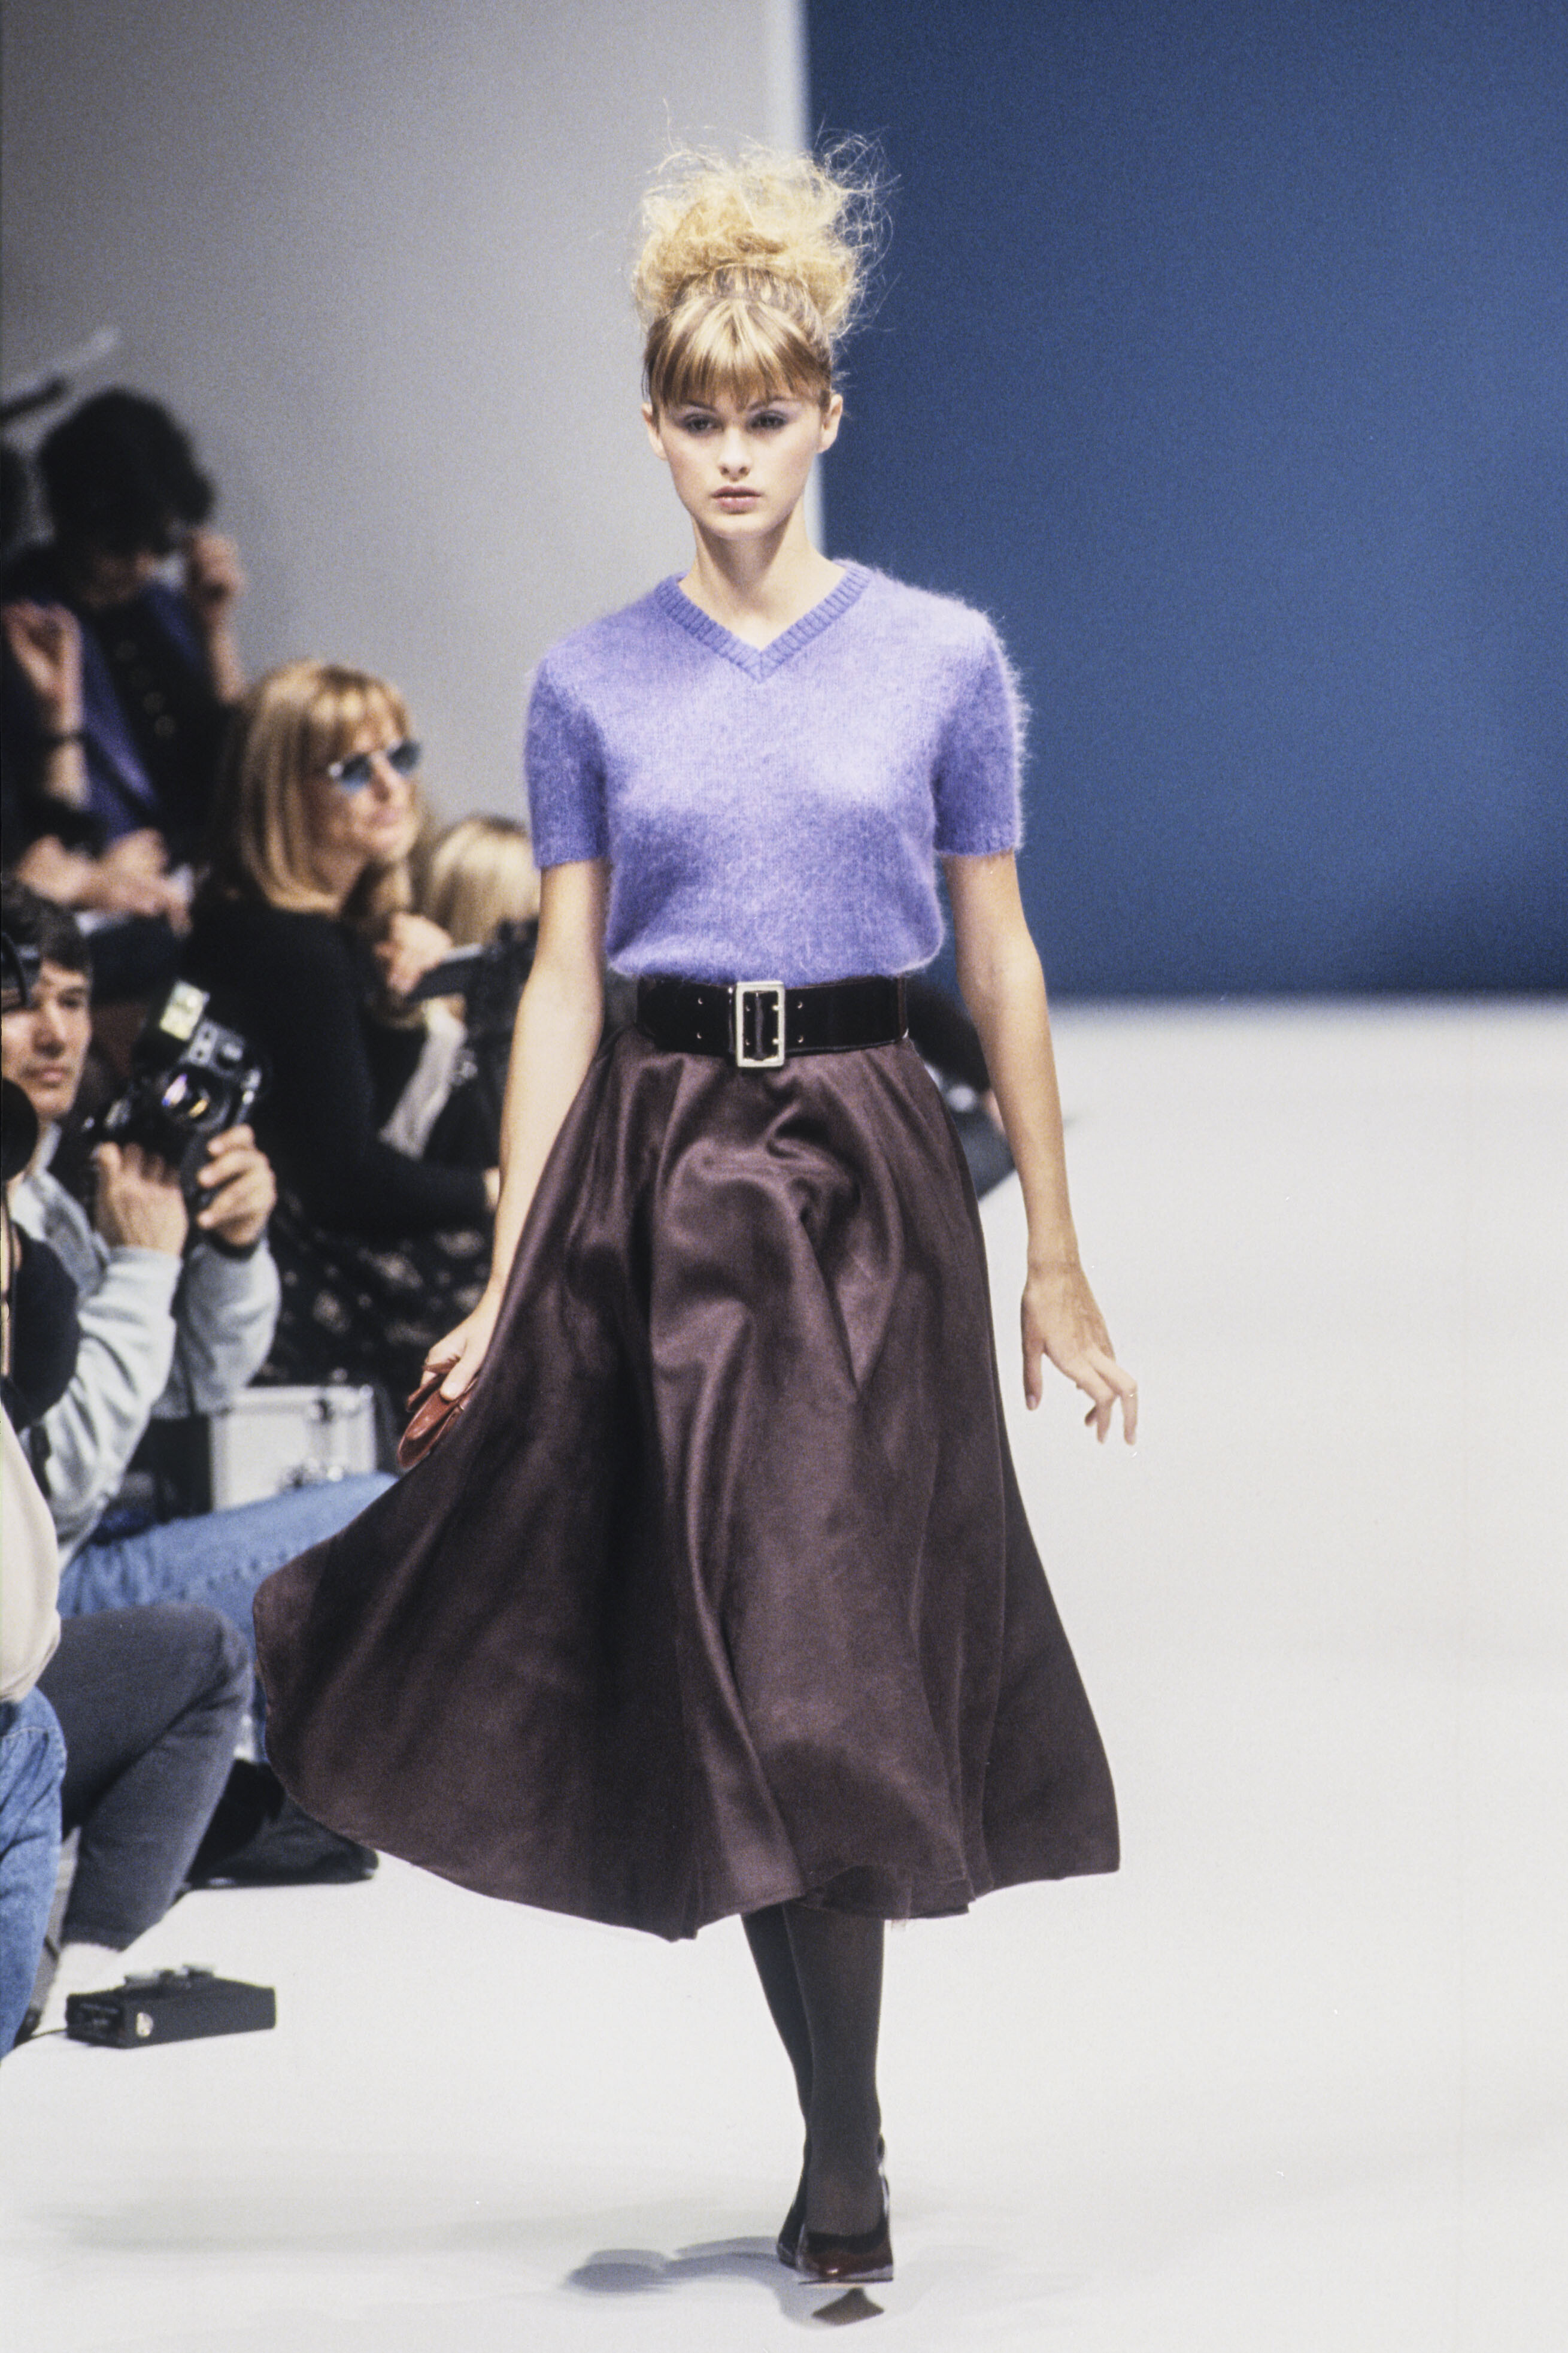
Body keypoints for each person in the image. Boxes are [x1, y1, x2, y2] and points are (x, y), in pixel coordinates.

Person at [253, 148, 1136, 2285]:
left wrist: (1056, 1250)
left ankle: (842, 2128)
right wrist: (506, 1270)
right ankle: (845, 2138)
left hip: (871, 1168)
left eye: (769, 414)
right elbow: (561, 983)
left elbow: (999, 958)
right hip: (665, 1174)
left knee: (836, 1642)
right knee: (753, 1642)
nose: (734, 455)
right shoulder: (590, 684)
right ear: (649, 429)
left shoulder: (939, 660)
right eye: (698, 418)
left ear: (828, 416)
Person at [0, 882, 392, 1648]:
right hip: (36, 1601)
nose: (57, 1034)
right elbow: (59, 1481)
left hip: (85, 1549)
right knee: (379, 1513)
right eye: (19, 1005)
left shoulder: (48, 1189)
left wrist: (232, 1248)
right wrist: (143, 1269)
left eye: (74, 1001)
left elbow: (194, 1384)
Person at [182, 663, 496, 1401]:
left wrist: (393, 975)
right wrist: (496, 1186)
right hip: (290, 1291)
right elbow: (344, 1178)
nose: (392, 786)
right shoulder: (294, 949)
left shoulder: (276, 928)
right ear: (280, 793)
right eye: (354, 770)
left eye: (401, 756)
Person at [1, 391, 246, 1000]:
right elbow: (38, 827)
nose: (140, 563)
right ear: (68, 519)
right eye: (119, 543)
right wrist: (91, 876)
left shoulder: (163, 608)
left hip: (188, 878)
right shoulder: (24, 619)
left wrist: (214, 631)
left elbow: (238, 762)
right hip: (109, 904)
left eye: (157, 544)